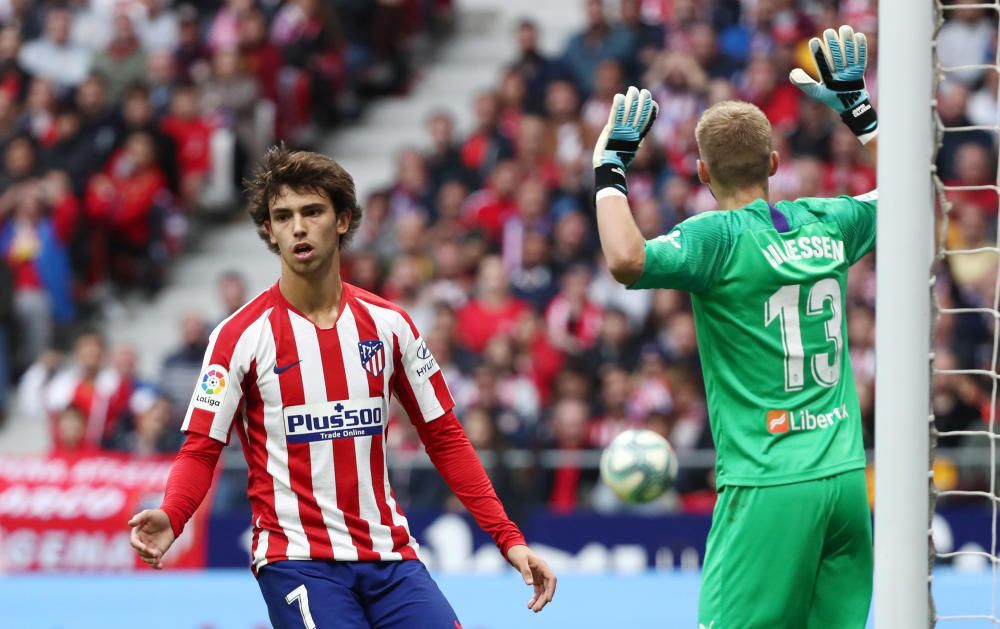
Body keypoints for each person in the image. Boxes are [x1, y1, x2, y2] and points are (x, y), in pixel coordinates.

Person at [128, 146, 556, 627]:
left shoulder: (389, 325)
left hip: (391, 556)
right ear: (269, 230)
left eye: (312, 212)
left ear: (343, 221)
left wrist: (510, 540)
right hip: (297, 561)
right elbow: (201, 448)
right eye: (283, 216)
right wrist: (174, 513)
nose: (298, 227)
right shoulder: (238, 337)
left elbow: (445, 436)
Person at [593, 26, 878, 629]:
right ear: (773, 163)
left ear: (701, 172)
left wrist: (610, 167)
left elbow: (625, 259)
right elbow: (921, 203)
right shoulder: (825, 219)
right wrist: (859, 111)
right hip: (848, 483)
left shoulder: (715, 238)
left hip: (768, 483)